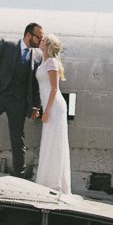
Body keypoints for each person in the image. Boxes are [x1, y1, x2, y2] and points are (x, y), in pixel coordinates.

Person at [0, 21, 42, 173]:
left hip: (18, 101)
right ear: (28, 35)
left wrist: (35, 106)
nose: (40, 40)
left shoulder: (38, 55)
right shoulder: (7, 45)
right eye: (39, 37)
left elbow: (35, 84)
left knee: (17, 136)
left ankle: (20, 171)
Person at [34, 35, 72, 193]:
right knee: (49, 141)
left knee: (54, 142)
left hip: (55, 107)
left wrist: (46, 111)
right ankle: (47, 181)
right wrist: (40, 107)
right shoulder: (44, 61)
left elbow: (54, 89)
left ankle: (54, 183)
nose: (41, 41)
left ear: (48, 44)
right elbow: (44, 89)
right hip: (50, 105)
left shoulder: (51, 62)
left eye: (43, 40)